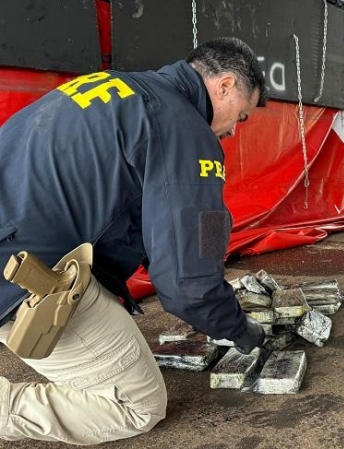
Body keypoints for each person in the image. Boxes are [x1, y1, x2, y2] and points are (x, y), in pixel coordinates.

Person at [0, 37, 267, 445]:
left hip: (15, 238)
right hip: (22, 273)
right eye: (241, 117)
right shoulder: (186, 128)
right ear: (225, 86)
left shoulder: (113, 87)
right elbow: (188, 281)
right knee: (137, 405)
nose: (232, 131)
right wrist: (238, 327)